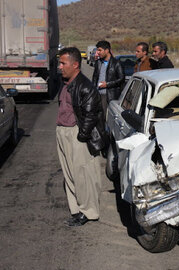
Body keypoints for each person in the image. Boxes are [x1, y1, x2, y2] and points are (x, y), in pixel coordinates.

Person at [56, 47, 107, 226]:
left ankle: (89, 211)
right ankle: (77, 209)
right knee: (70, 175)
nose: (60, 67)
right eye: (59, 63)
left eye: (63, 63)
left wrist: (81, 136)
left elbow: (92, 115)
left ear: (75, 64)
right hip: (63, 133)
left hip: (77, 135)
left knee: (84, 176)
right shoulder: (66, 83)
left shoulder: (85, 86)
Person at [92, 40, 124, 115]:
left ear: (107, 50)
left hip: (110, 96)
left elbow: (121, 79)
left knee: (107, 118)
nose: (98, 52)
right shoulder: (98, 63)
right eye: (97, 50)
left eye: (100, 50)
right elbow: (94, 78)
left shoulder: (116, 63)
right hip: (98, 94)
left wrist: (107, 84)